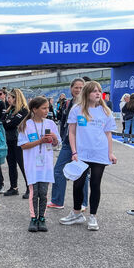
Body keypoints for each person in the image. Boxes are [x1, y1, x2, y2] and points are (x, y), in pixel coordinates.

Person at [59, 81, 117, 230]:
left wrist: (110, 153)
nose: (98, 93)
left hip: (100, 153)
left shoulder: (106, 111)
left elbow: (108, 134)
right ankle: (77, 213)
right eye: (94, 91)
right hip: (82, 153)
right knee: (78, 184)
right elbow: (71, 132)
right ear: (86, 93)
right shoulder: (77, 109)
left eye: (99, 91)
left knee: (95, 184)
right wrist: (74, 151)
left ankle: (93, 217)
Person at [18, 96, 60, 232]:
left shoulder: (50, 124)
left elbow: (56, 143)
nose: (47, 110)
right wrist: (40, 141)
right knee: (33, 192)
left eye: (48, 107)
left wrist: (53, 139)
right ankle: (33, 218)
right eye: (44, 108)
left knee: (43, 192)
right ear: (34, 109)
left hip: (46, 164)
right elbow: (23, 145)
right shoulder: (26, 125)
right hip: (31, 164)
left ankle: (42, 218)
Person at [49, 78, 89, 210]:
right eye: (76, 87)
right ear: (71, 88)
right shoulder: (68, 103)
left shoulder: (88, 105)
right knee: (58, 171)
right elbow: (65, 125)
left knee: (82, 173)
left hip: (82, 144)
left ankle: (83, 203)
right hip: (67, 143)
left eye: (81, 87)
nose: (78, 90)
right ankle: (57, 201)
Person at [1, 88, 30, 199]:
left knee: (23, 165)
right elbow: (2, 122)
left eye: (10, 97)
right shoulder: (9, 110)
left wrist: (7, 122)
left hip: (20, 142)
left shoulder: (24, 111)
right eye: (8, 97)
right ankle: (14, 188)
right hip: (9, 140)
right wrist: (7, 122)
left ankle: (29, 188)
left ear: (16, 98)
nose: (8, 100)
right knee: (11, 165)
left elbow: (12, 123)